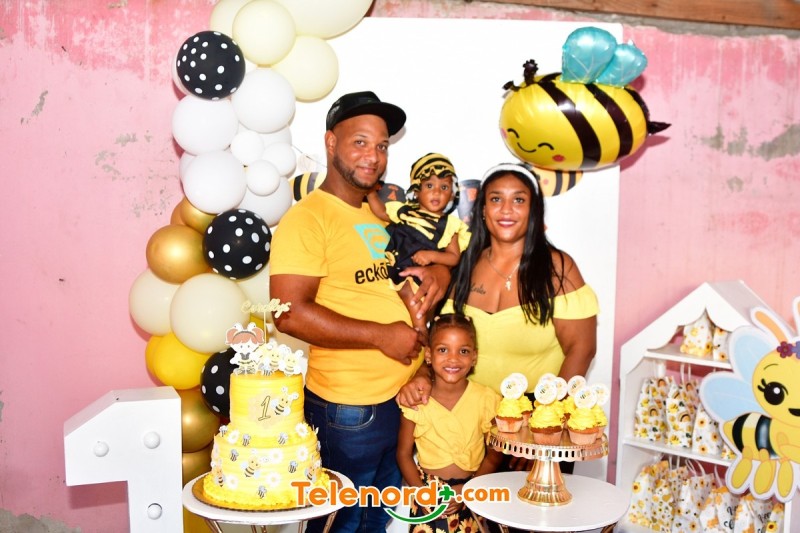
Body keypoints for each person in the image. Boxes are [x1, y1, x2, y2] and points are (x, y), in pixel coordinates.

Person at [268, 90, 451, 533]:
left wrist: (439, 276)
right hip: (350, 410)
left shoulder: (377, 218)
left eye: (382, 145)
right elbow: (288, 313)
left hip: (400, 400)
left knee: (377, 523)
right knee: (342, 523)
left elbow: (399, 282)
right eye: (360, 142)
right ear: (331, 142)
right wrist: (380, 335)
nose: (374, 156)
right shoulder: (308, 218)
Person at [398, 162, 599, 473]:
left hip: (537, 419)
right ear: (481, 210)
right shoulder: (462, 266)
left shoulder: (558, 268)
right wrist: (424, 375)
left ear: (534, 210)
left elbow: (581, 349)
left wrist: (544, 425)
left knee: (531, 504)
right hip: (469, 422)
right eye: (496, 199)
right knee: (468, 506)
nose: (506, 209)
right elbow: (436, 337)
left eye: (518, 199)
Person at [397, 313, 501, 533]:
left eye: (463, 351)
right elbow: (403, 454)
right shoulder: (416, 400)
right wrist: (422, 493)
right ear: (428, 355)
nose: (453, 359)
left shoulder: (487, 399)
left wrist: (467, 490)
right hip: (427, 495)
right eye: (443, 350)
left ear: (474, 357)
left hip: (471, 490)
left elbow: (495, 454)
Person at [367, 153, 471, 333]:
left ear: (451, 194)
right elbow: (382, 212)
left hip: (419, 273)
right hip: (395, 264)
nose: (437, 192)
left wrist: (431, 256)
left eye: (444, 187)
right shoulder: (405, 211)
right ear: (416, 190)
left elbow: (453, 257)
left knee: (412, 293)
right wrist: (369, 193)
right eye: (429, 185)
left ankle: (421, 330)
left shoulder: (449, 225)